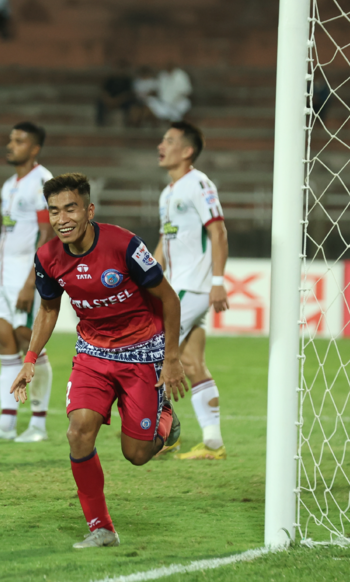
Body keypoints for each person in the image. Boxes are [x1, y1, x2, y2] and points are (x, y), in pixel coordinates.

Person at [10, 173, 188, 548]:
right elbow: (47, 308)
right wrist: (29, 359)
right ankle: (101, 528)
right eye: (54, 211)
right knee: (78, 432)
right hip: (93, 353)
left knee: (136, 455)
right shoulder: (48, 258)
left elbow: (169, 300)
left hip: (143, 352)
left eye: (70, 208)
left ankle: (164, 418)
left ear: (89, 210)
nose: (62, 219)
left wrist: (171, 359)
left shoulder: (124, 245)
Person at [0, 122, 55, 442]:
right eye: (10, 139)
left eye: (19, 141)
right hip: (5, 275)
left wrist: (32, 281)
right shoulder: (9, 185)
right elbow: (5, 238)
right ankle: (6, 423)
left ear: (34, 149)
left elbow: (48, 235)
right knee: (5, 343)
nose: (11, 145)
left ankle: (38, 424)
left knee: (28, 341)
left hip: (27, 273)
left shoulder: (43, 182)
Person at [154, 122, 229, 460]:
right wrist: (147, 276)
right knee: (191, 361)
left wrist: (217, 281)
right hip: (177, 284)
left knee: (154, 351)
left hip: (192, 286)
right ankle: (213, 443)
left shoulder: (199, 183)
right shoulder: (168, 192)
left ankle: (166, 434)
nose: (161, 145)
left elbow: (218, 231)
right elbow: (165, 242)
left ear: (187, 151)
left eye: (169, 141)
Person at [96, 60, 138, 127]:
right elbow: (104, 92)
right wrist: (109, 100)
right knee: (100, 103)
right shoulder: (110, 79)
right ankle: (100, 123)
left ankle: (130, 124)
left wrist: (117, 101)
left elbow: (128, 94)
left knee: (131, 104)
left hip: (122, 101)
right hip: (110, 100)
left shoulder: (127, 80)